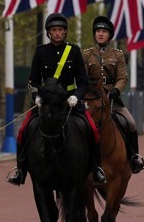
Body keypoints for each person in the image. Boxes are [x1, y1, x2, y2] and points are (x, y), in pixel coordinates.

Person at [7, 13, 107, 187]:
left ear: (65, 32)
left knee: (92, 129)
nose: (57, 33)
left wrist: (76, 96)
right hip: (45, 103)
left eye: (60, 30)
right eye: (54, 30)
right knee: (23, 130)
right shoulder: (40, 52)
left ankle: (96, 168)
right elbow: (33, 81)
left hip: (69, 101)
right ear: (48, 32)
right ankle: (20, 169)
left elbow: (82, 81)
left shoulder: (74, 51)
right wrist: (36, 96)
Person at [82, 15, 144, 174]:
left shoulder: (118, 55)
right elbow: (82, 77)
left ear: (109, 35)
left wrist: (115, 90)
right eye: (98, 31)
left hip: (111, 99)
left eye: (104, 31)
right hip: (91, 99)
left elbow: (122, 78)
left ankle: (134, 157)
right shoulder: (86, 54)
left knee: (130, 123)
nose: (100, 34)